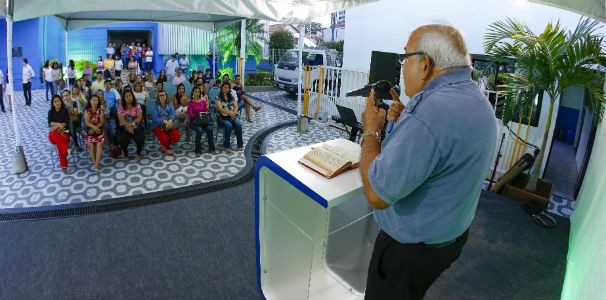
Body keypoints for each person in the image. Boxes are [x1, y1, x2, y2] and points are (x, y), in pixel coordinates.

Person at [360, 24, 497, 300]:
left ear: (425, 64)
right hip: (448, 237)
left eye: (404, 58)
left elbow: (377, 194)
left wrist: (371, 132)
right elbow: (439, 153)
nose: (401, 67)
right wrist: (406, 121)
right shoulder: (476, 99)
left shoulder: (430, 113)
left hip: (409, 252)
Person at [150, 89, 181, 156]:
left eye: (163, 95)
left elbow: (173, 114)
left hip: (169, 124)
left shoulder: (170, 104)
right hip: (158, 125)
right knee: (164, 138)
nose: (162, 97)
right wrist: (164, 121)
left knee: (177, 136)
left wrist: (170, 121)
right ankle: (167, 148)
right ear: (158, 97)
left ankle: (164, 145)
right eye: (160, 95)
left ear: (166, 95)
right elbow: (155, 117)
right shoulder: (155, 105)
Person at [214, 81, 243, 153]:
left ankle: (240, 145)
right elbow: (220, 109)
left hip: (232, 116)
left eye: (228, 88)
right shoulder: (217, 97)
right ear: (222, 88)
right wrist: (230, 113)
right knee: (229, 126)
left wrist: (234, 113)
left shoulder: (232, 97)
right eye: (225, 87)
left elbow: (236, 106)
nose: (226, 89)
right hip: (222, 117)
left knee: (239, 125)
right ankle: (226, 146)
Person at [117, 89, 145, 161]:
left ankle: (138, 153)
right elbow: (121, 119)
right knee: (122, 140)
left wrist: (131, 124)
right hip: (124, 127)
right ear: (124, 98)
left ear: (133, 97)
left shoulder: (137, 105)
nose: (129, 98)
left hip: (136, 126)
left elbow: (139, 118)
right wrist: (128, 127)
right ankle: (125, 154)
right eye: (126, 96)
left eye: (130, 96)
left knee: (141, 138)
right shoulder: (120, 107)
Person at [189, 85, 216, 156]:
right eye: (195, 91)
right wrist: (199, 114)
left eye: (198, 91)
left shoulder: (203, 102)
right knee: (199, 130)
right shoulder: (190, 103)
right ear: (193, 93)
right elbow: (191, 115)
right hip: (194, 122)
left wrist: (203, 113)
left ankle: (212, 148)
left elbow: (206, 111)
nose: (197, 93)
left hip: (204, 121)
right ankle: (198, 150)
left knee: (210, 129)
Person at [47, 95, 71, 172]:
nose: (57, 103)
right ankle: (66, 149)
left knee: (59, 142)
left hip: (64, 133)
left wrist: (56, 125)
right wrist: (59, 125)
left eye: (59, 101)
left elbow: (65, 124)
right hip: (53, 135)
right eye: (55, 101)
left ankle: (64, 165)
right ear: (53, 103)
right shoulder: (51, 112)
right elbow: (50, 125)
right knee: (54, 134)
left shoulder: (65, 111)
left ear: (61, 101)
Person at [84, 94, 106, 172]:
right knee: (90, 145)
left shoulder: (100, 110)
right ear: (90, 101)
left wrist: (96, 127)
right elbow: (87, 122)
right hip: (90, 130)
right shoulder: (87, 111)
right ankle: (95, 163)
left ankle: (96, 164)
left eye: (96, 100)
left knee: (100, 144)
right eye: (93, 100)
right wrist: (94, 128)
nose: (95, 102)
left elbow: (102, 121)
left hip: (99, 130)